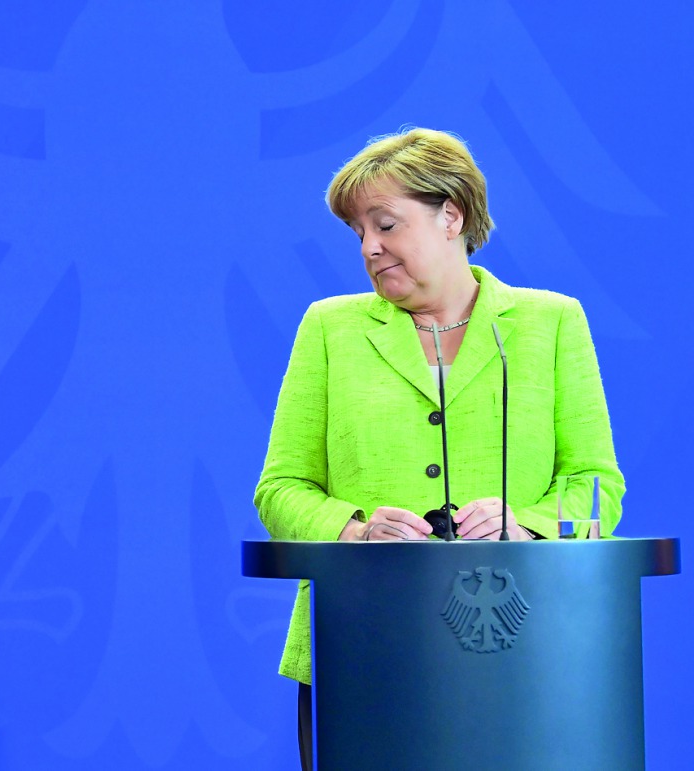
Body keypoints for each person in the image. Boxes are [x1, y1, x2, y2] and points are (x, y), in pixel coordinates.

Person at [253, 127, 624, 769]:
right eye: (359, 232)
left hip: (525, 642)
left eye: (386, 224)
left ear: (451, 215)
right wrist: (355, 529)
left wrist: (527, 524)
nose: (369, 247)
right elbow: (280, 489)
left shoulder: (550, 323)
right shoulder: (329, 329)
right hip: (363, 640)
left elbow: (597, 486)